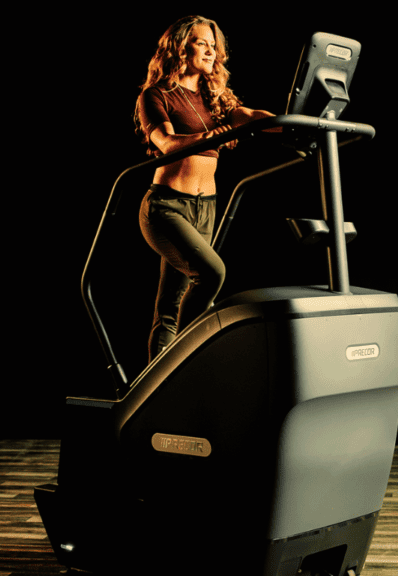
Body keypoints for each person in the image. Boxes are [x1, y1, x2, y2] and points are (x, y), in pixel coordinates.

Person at [134, 15, 276, 363]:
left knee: (171, 302)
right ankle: (183, 364)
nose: (212, 51)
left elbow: (250, 115)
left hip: (206, 207)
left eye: (215, 45)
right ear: (181, 47)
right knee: (213, 274)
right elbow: (167, 143)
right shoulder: (156, 96)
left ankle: (158, 383)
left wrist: (294, 124)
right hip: (166, 208)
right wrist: (211, 136)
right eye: (203, 43)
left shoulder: (214, 97)